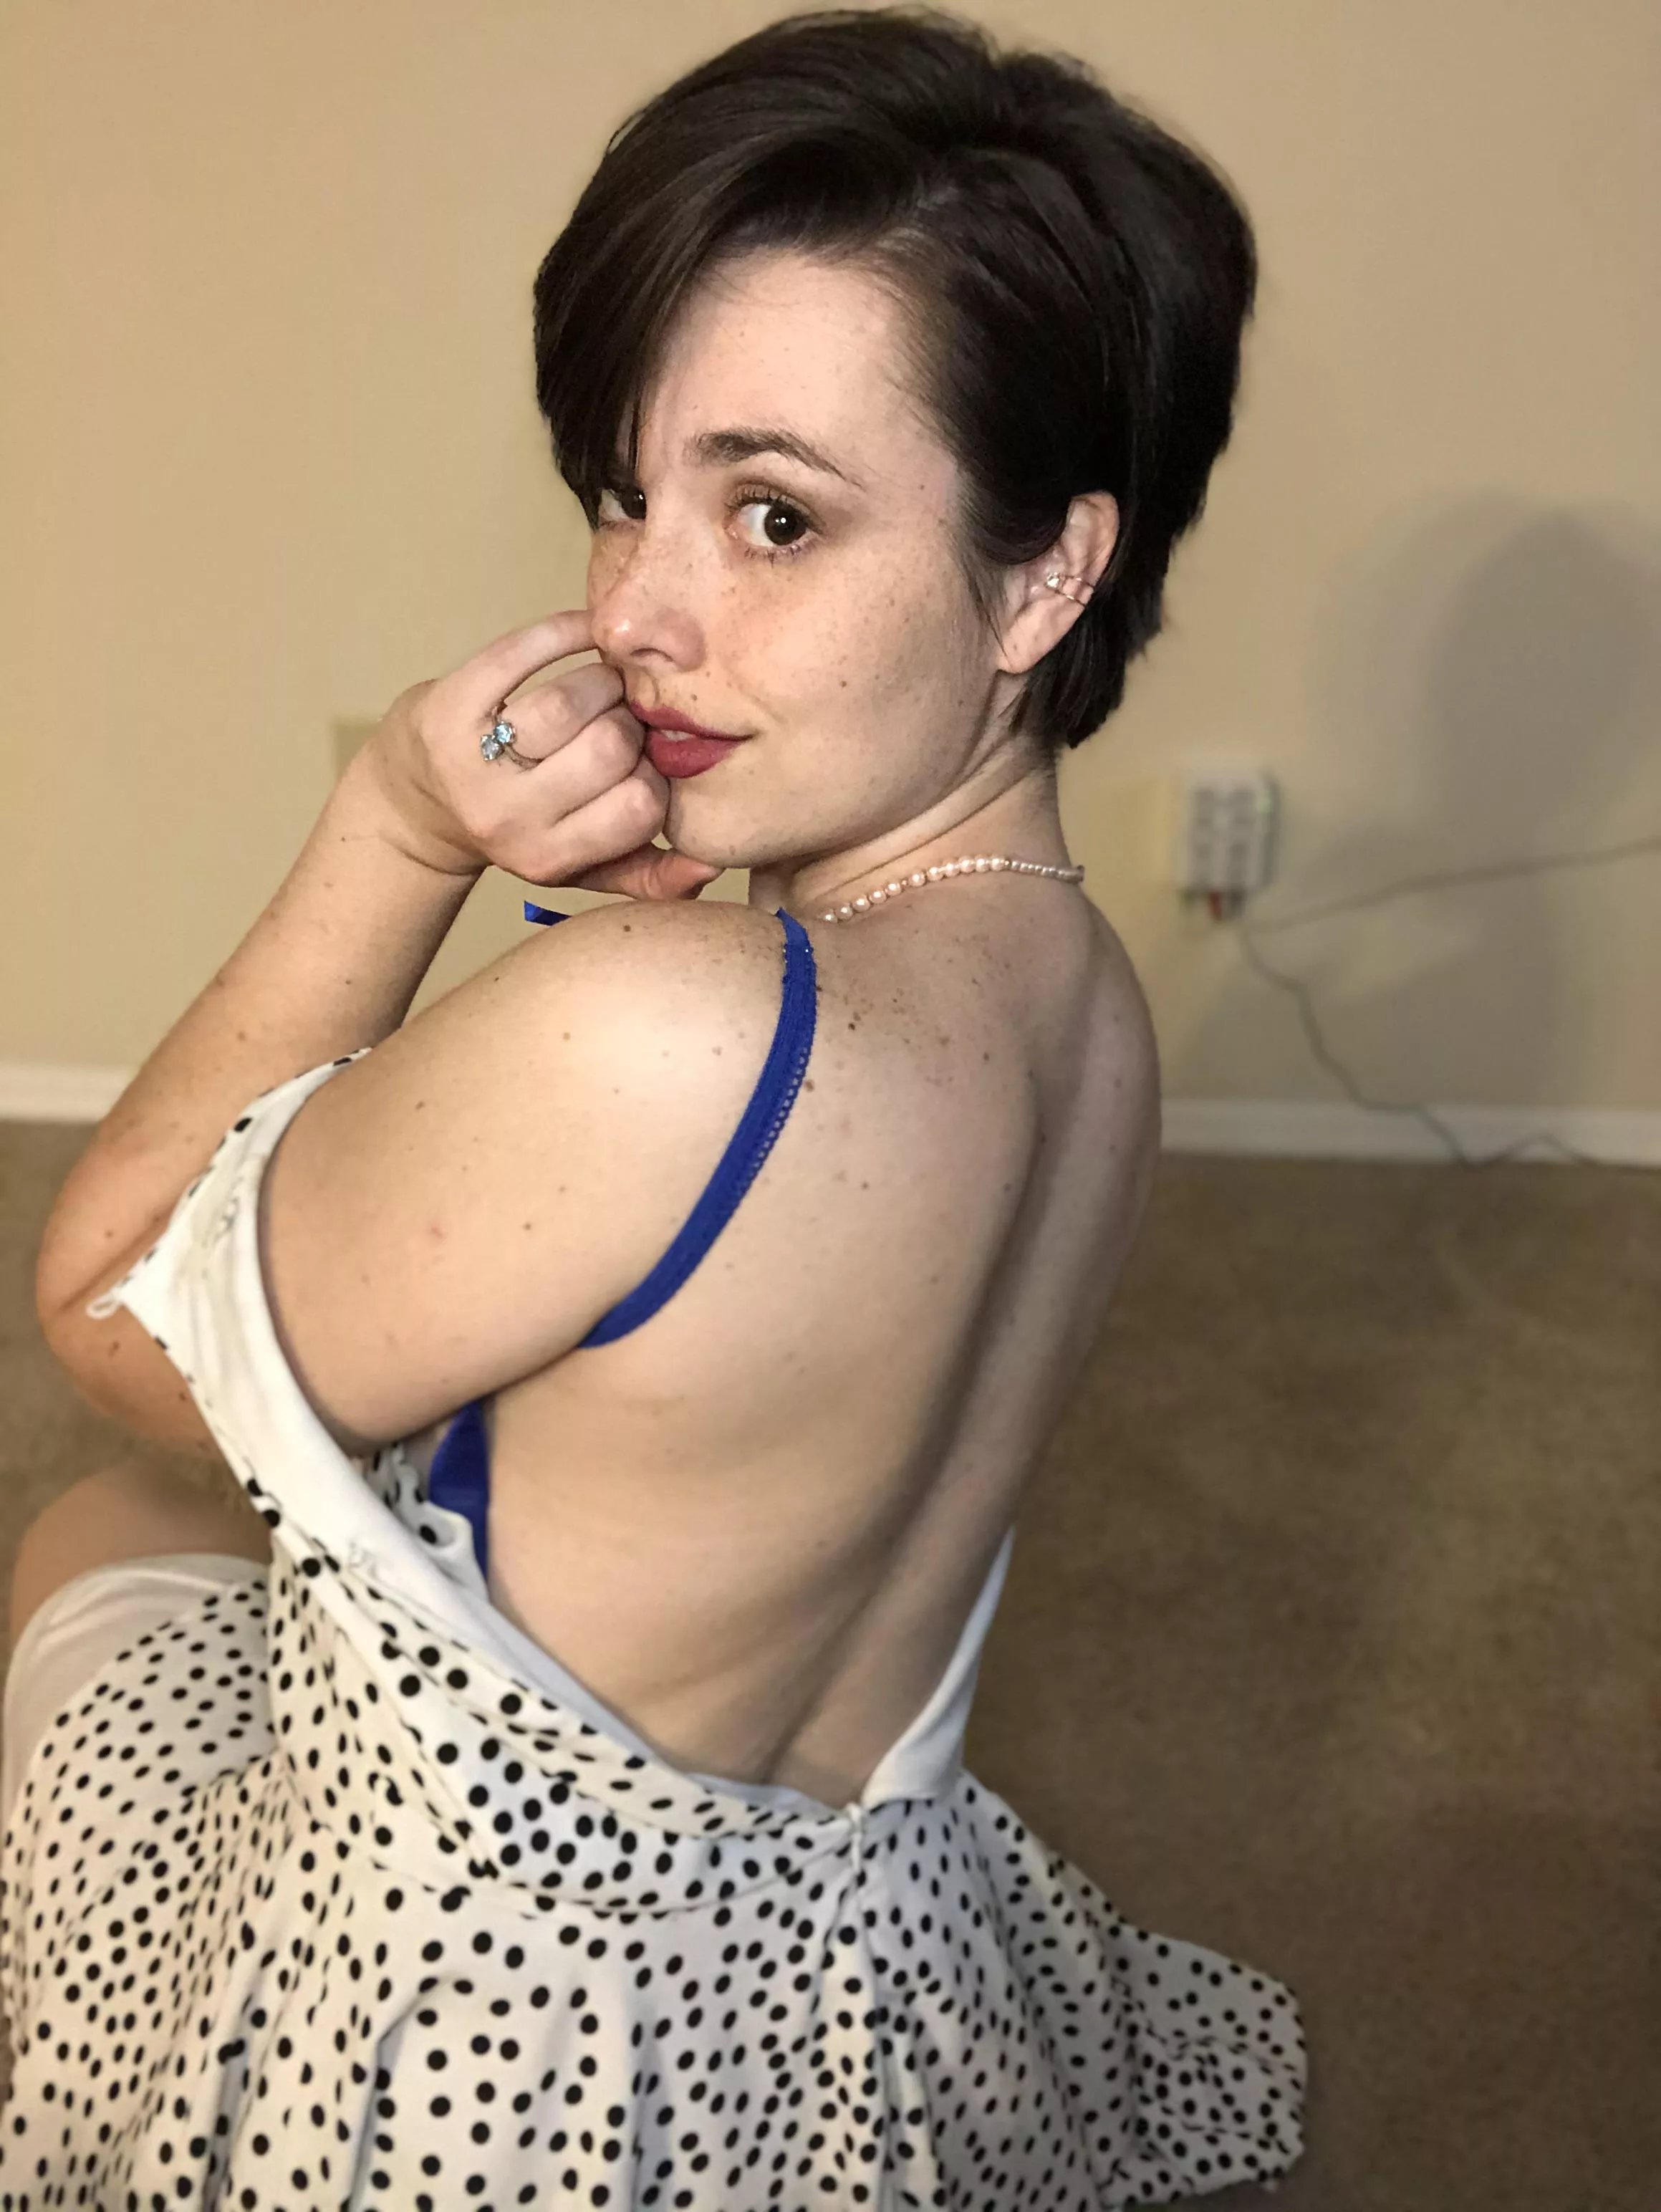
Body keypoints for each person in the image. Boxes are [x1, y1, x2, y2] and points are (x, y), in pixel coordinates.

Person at [4, 8, 1306, 2205]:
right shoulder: (1093, 1006)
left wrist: (400, 822)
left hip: (492, 2078)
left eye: (773, 517)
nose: (636, 616)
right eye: (628, 494)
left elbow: (109, 1307)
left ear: (1045, 575)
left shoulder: (673, 1034)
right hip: (837, 1996)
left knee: (96, 1522)